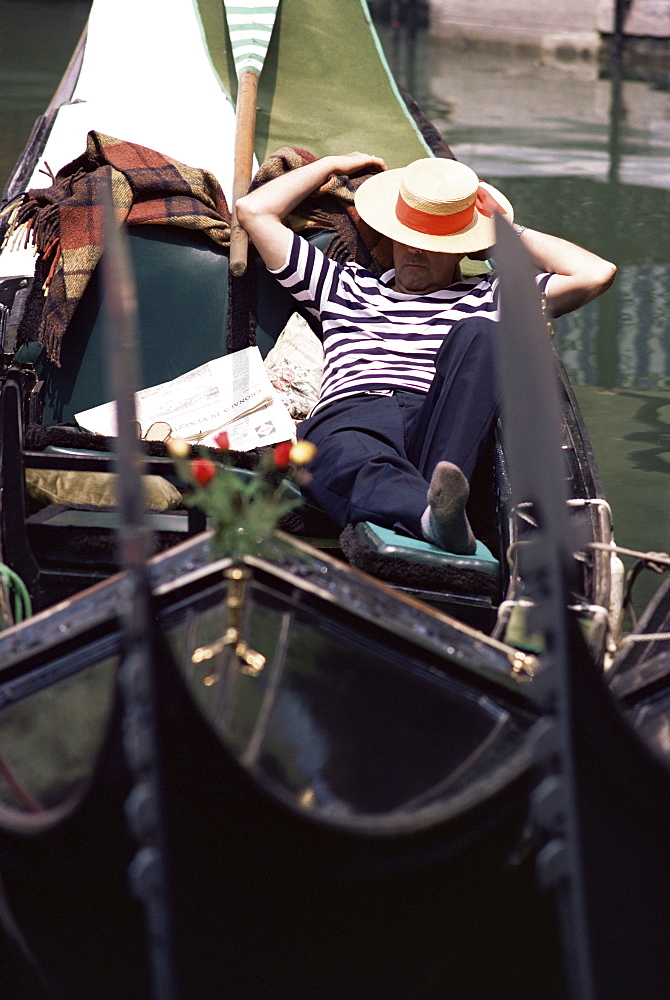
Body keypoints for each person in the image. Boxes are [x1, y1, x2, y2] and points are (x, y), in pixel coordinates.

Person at [236, 153, 616, 554]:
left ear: (461, 251)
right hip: (355, 416)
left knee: (483, 334)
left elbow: (595, 274)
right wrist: (334, 164)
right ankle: (431, 515)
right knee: (344, 451)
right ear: (393, 237)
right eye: (409, 239)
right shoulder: (342, 285)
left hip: (437, 423)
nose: (415, 252)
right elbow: (255, 210)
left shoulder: (490, 294)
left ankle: (443, 499)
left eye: (433, 244)